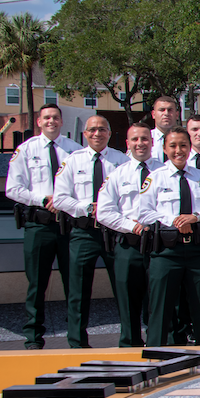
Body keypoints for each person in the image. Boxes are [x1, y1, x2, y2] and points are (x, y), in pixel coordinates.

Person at [136, 128, 200, 345]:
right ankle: (156, 359)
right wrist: (175, 221)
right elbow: (143, 212)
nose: (179, 150)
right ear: (165, 149)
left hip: (199, 251)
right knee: (160, 311)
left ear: (189, 147)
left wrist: (196, 217)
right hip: (166, 253)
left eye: (183, 145)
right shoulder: (154, 178)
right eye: (173, 146)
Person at [6, 104, 81, 349]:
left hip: (68, 226)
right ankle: (33, 337)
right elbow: (13, 189)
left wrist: (65, 202)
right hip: (39, 225)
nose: (51, 121)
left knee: (74, 283)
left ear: (62, 122)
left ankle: (76, 337)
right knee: (37, 283)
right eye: (47, 118)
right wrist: (42, 200)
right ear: (39, 121)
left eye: (56, 118)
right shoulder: (25, 150)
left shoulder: (74, 150)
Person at [52, 115, 127, 348]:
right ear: (85, 134)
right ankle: (76, 341)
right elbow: (60, 198)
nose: (97, 134)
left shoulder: (121, 160)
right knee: (78, 289)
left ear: (109, 133)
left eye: (102, 129)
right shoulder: (73, 161)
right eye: (92, 130)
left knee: (124, 287)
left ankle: (130, 339)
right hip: (84, 232)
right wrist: (86, 207)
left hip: (114, 233)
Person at [95, 123, 161, 347]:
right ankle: (129, 345)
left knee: (157, 301)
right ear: (127, 143)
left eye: (144, 139)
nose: (140, 143)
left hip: (158, 245)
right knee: (127, 301)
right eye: (135, 139)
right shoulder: (117, 174)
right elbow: (103, 212)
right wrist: (128, 225)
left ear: (152, 142)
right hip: (128, 245)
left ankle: (157, 345)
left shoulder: (164, 171)